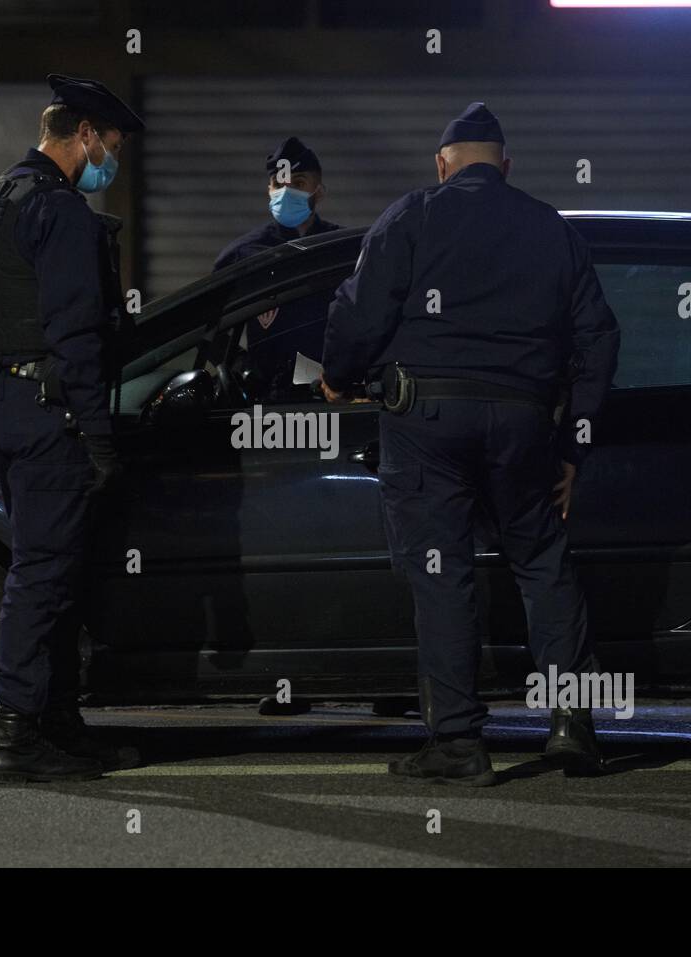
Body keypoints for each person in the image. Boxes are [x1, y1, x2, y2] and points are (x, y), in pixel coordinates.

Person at [321, 102, 620, 786]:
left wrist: (337, 377)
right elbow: (600, 338)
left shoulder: (413, 214)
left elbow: (361, 310)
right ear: (506, 167)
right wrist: (576, 443)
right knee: (543, 560)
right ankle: (573, 724)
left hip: (426, 421)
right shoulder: (551, 228)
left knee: (441, 569)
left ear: (442, 164)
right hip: (524, 421)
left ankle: (458, 743)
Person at [0, 74, 143, 784]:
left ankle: (57, 722)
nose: (109, 161)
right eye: (109, 145)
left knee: (49, 567)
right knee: (44, 572)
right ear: (83, 135)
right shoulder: (65, 215)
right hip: (46, 410)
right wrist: (98, 437)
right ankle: (17, 737)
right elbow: (79, 337)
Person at [214, 137, 342, 401]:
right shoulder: (245, 253)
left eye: (298, 184)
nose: (286, 192)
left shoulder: (339, 248)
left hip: (327, 398)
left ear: (319, 191)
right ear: (268, 190)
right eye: (278, 183)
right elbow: (205, 325)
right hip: (266, 400)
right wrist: (242, 366)